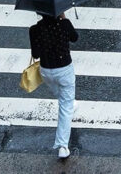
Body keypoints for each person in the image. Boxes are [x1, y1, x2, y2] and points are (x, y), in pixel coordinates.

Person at [29, 13, 79, 159]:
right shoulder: (64, 24)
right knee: (65, 106)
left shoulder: (35, 29)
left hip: (46, 71)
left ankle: (70, 104)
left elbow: (36, 54)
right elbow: (75, 38)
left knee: (62, 98)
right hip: (64, 70)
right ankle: (63, 146)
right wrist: (64, 19)